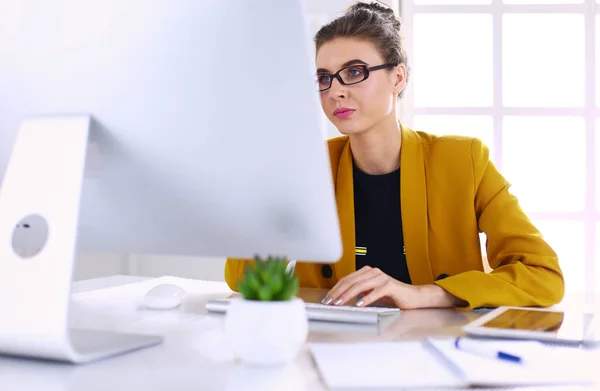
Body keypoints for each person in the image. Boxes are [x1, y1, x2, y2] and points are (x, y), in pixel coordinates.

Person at [224, 1, 564, 310]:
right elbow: (239, 277)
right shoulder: (309, 168)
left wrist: (423, 294)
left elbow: (544, 276)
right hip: (334, 348)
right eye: (324, 78)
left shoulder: (464, 161)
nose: (336, 91)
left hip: (438, 350)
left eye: (354, 72)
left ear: (397, 77)